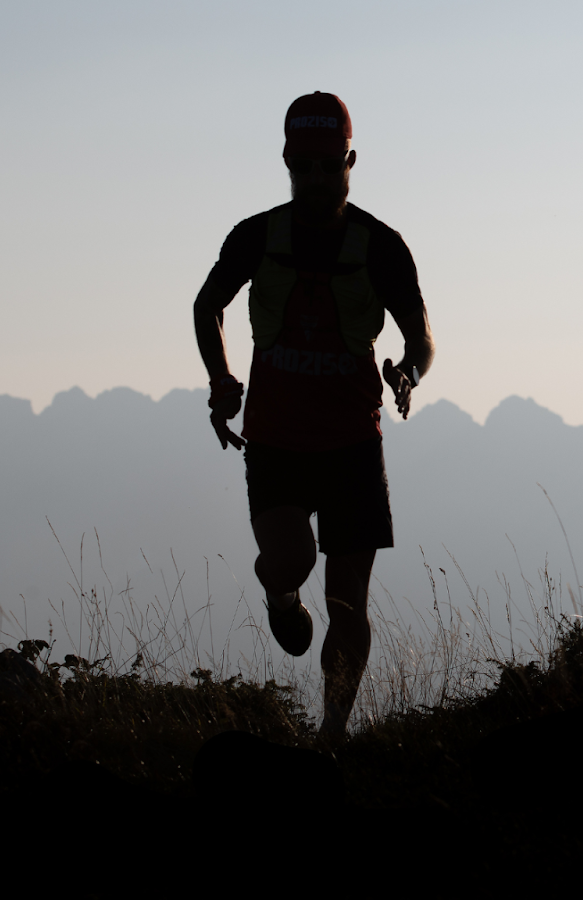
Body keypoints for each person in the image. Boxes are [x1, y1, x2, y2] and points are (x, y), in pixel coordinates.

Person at [193, 92, 435, 739]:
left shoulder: (380, 247)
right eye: (305, 166)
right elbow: (207, 305)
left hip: (354, 444)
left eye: (330, 165)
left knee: (347, 600)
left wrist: (408, 374)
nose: (318, 178)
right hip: (275, 441)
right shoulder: (257, 237)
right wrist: (220, 381)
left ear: (350, 161)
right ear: (287, 161)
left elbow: (421, 338)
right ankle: (278, 594)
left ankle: (331, 737)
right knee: (291, 558)